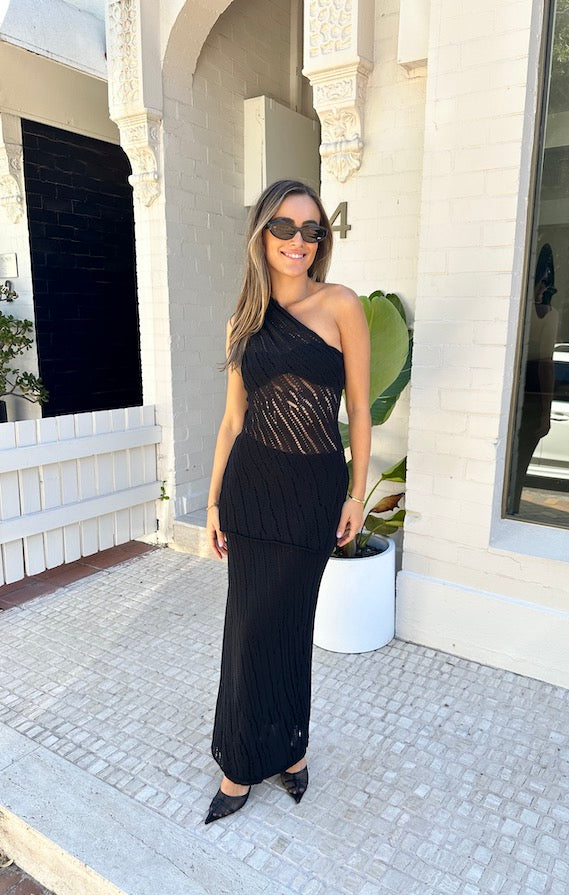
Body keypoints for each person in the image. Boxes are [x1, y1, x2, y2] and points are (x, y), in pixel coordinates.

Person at [204, 179, 371, 824]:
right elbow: (232, 421)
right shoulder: (242, 322)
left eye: (311, 230)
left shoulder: (341, 304)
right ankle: (239, 762)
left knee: (292, 624)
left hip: (312, 495)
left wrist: (356, 494)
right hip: (251, 492)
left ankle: (291, 747)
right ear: (262, 234)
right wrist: (213, 504)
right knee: (248, 628)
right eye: (285, 227)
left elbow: (359, 410)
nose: (298, 240)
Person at [509, 243, 559, 513]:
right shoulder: (548, 316)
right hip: (531, 398)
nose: (543, 289)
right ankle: (512, 509)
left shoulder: (516, 312)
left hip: (512, 392)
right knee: (519, 466)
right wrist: (546, 413)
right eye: (541, 283)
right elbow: (545, 367)